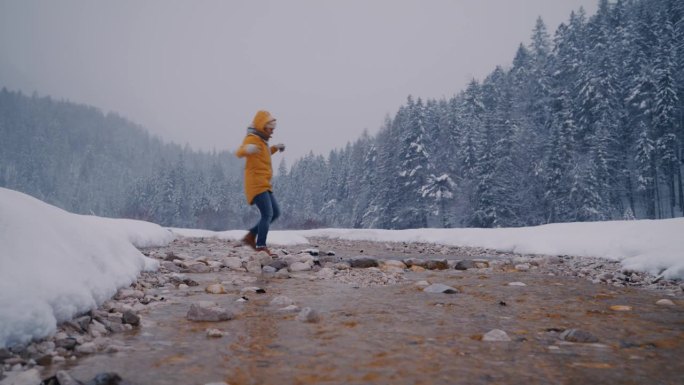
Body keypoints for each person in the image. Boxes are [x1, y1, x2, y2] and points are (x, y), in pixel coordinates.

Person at [235, 110, 285, 257]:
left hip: (264, 183)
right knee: (267, 213)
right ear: (263, 126)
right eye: (271, 129)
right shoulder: (252, 138)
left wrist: (276, 148)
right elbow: (239, 152)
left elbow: (264, 154)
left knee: (275, 213)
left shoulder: (262, 142)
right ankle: (261, 246)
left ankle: (251, 236)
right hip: (255, 184)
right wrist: (247, 149)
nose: (272, 132)